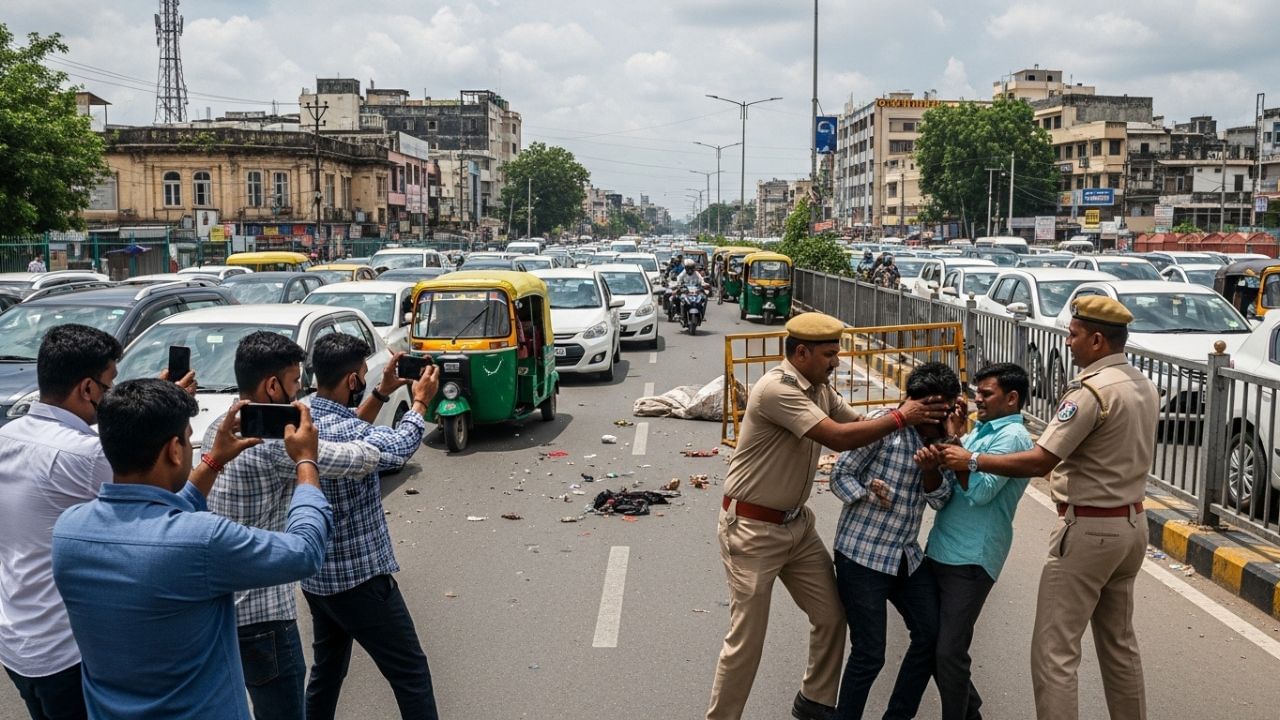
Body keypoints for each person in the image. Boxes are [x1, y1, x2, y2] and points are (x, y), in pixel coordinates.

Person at [706, 312, 950, 720]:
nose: (836, 362)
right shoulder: (776, 390)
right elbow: (837, 438)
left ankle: (815, 703)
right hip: (752, 529)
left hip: (796, 526)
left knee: (832, 616)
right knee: (747, 639)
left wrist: (928, 426)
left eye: (837, 354)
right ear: (801, 353)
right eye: (829, 355)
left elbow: (859, 422)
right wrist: (902, 416)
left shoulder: (819, 388)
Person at [51, 379, 332, 719]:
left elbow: (155, 517)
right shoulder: (202, 540)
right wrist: (306, 462)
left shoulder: (69, 530)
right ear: (174, 449)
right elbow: (304, 551)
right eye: (187, 438)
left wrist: (213, 461)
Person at [936, 296, 1158, 720]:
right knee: (1119, 646)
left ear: (1096, 339)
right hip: (1131, 525)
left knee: (1054, 652)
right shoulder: (1141, 383)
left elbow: (1041, 460)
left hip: (1089, 530)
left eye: (1073, 336)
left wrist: (973, 460)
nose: (1068, 344)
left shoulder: (1091, 392)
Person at [206, 331, 385, 720]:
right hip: (265, 615)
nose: (300, 393)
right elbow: (354, 459)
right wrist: (372, 445)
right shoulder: (275, 444)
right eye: (293, 383)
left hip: (225, 607)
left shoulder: (221, 426)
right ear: (272, 386)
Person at [302, 334, 441, 719]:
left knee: (327, 673)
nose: (365, 379)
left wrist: (381, 393)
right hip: (360, 581)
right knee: (411, 672)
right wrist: (420, 401)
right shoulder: (354, 436)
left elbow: (348, 430)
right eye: (364, 374)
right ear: (351, 381)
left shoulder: (303, 418)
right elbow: (396, 448)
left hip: (318, 579)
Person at [827, 362, 963, 720]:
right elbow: (840, 475)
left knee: (930, 636)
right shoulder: (884, 426)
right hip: (862, 555)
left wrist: (932, 469)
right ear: (914, 403)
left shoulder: (941, 442)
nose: (937, 416)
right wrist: (867, 493)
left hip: (904, 555)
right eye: (930, 408)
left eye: (943, 409)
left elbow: (941, 500)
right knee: (870, 653)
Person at [0, 325, 120, 720]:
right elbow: (155, 501)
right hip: (67, 649)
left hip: (15, 639)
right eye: (109, 386)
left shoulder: (8, 435)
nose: (110, 395)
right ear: (87, 389)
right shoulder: (88, 456)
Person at [914, 363, 1033, 720]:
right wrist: (954, 439)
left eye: (986, 394)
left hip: (972, 558)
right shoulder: (983, 431)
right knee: (934, 644)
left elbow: (979, 492)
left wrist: (958, 451)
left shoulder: (1011, 438)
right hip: (942, 549)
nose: (977, 399)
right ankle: (971, 712)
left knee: (949, 651)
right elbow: (955, 469)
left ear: (1011, 398)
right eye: (976, 392)